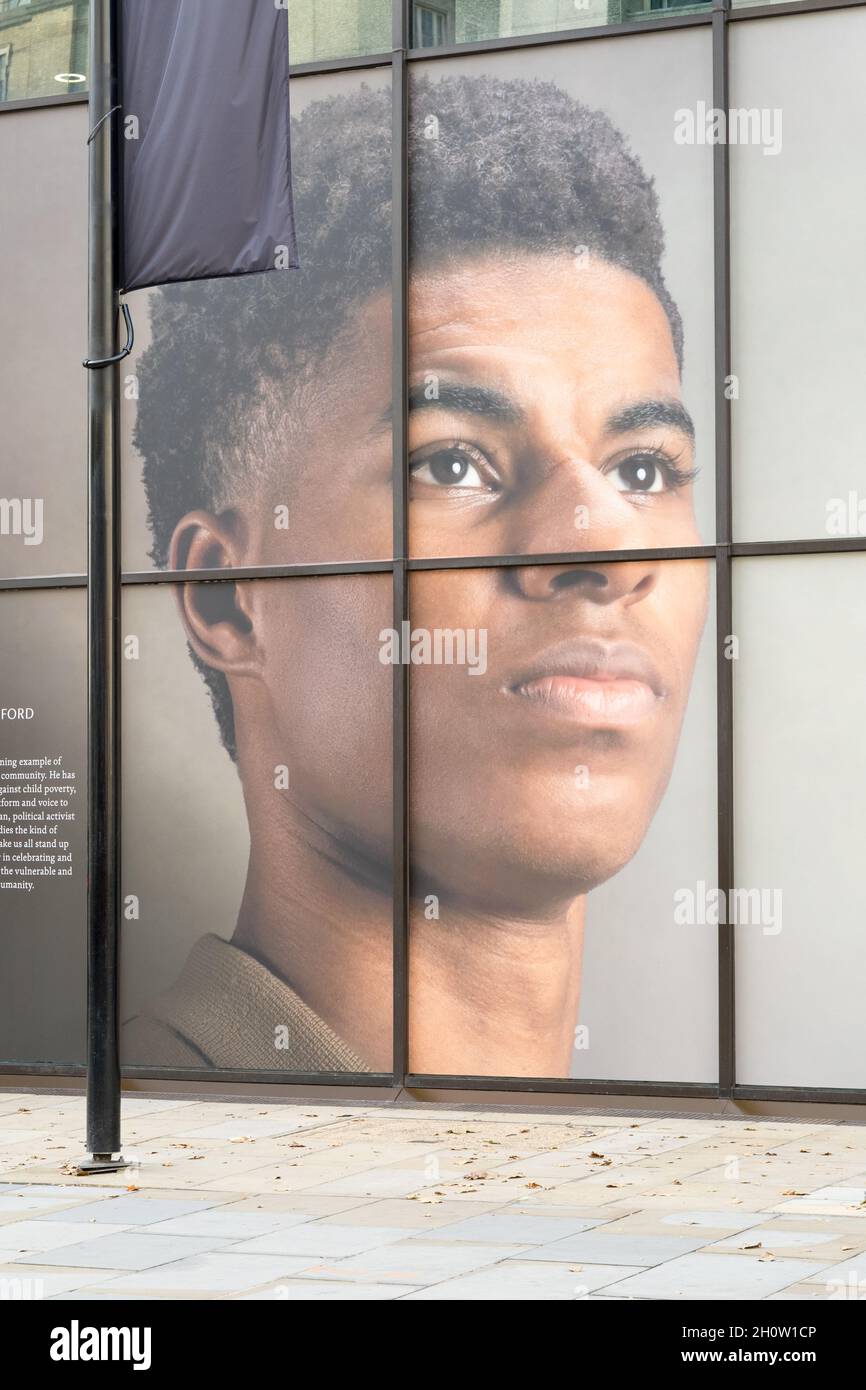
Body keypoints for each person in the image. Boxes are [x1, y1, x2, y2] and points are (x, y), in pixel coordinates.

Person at [122, 73, 708, 1078]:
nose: (607, 548)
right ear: (225, 597)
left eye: (642, 470)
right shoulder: (171, 1170)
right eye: (449, 462)